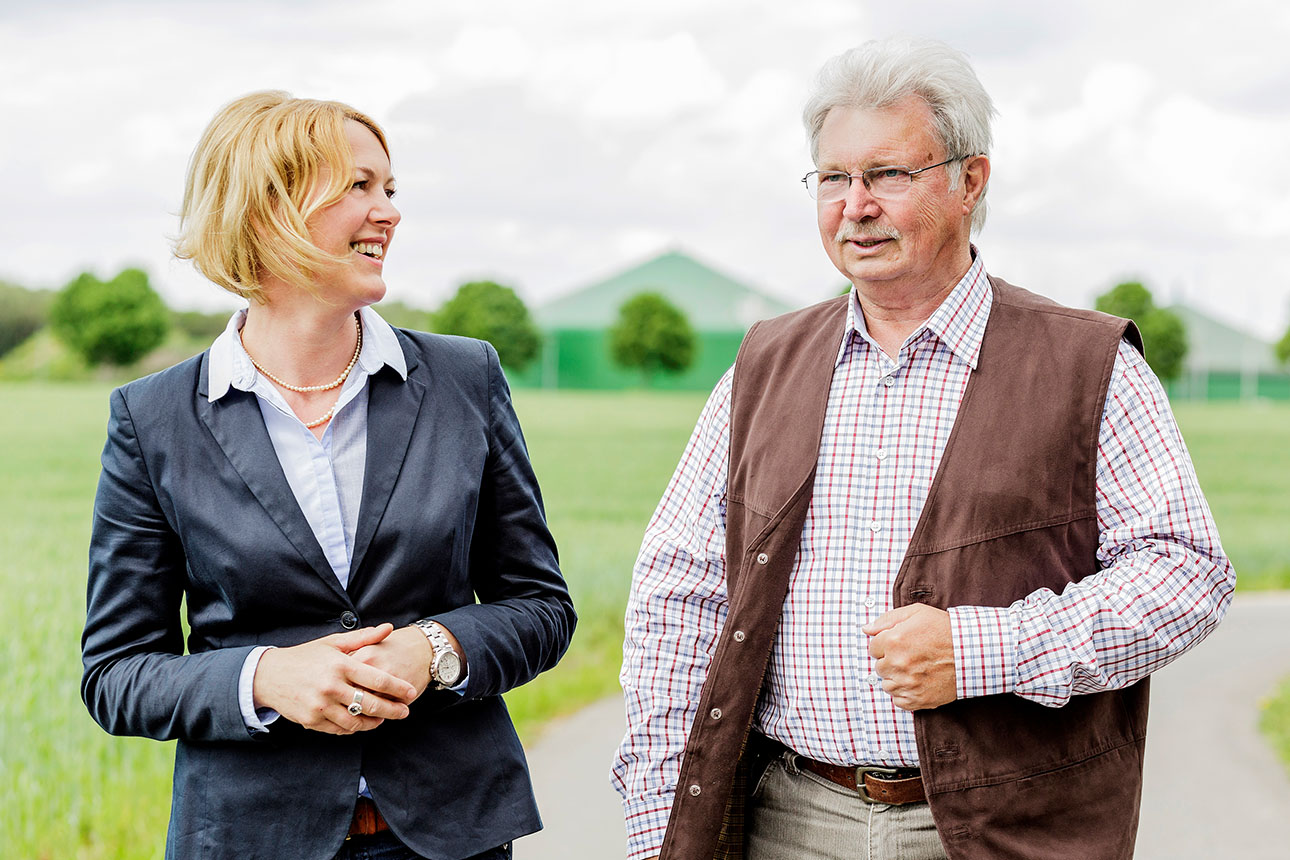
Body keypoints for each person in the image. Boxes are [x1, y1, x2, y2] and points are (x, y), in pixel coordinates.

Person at [612, 38, 1234, 860]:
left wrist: (985, 650)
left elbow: (1187, 571)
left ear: (970, 181)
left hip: (1006, 829)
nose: (855, 205)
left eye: (888, 174)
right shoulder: (762, 366)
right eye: (833, 177)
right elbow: (678, 594)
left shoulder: (1088, 365)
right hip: (787, 817)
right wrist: (662, 826)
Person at [80, 91, 576, 860]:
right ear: (265, 207)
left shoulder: (464, 377)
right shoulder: (153, 419)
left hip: (453, 838)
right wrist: (264, 679)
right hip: (250, 840)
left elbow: (541, 607)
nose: (388, 212)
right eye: (357, 186)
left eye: (389, 188)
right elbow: (116, 673)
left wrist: (436, 648)